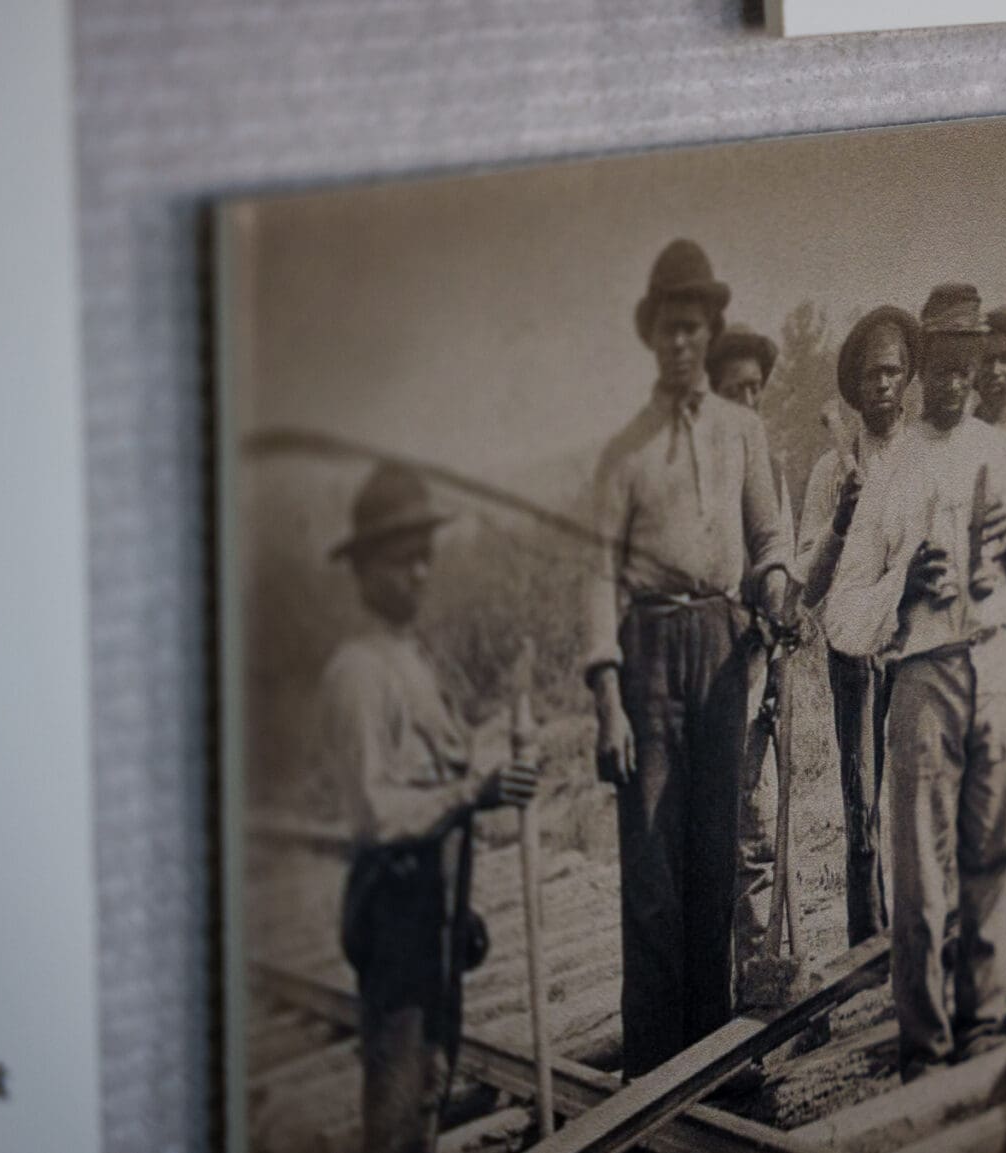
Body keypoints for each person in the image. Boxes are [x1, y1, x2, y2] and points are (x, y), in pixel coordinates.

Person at [824, 284, 1006, 1078]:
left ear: (983, 366)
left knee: (992, 855)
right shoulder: (895, 467)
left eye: (968, 365)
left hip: (998, 666)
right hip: (921, 675)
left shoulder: (1002, 453)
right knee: (921, 873)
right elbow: (840, 616)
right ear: (924, 368)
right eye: (943, 365)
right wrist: (904, 587)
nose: (955, 381)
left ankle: (983, 1023)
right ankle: (925, 1045)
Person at [583, 239, 794, 1078]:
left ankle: (709, 1057)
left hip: (722, 645)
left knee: (712, 851)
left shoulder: (744, 431)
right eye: (667, 328)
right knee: (653, 865)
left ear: (710, 331)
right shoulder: (623, 453)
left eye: (693, 327)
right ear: (653, 336)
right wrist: (607, 697)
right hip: (647, 657)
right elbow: (597, 578)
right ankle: (652, 1065)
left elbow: (770, 535)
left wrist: (775, 585)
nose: (680, 342)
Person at [321, 463, 540, 1153]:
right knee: (396, 1099)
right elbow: (376, 812)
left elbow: (444, 763)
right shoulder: (357, 672)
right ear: (362, 573)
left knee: (431, 1087)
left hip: (438, 913)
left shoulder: (416, 659)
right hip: (394, 915)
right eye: (398, 560)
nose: (417, 573)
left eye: (424, 557)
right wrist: (470, 792)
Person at [796, 305, 920, 945]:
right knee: (861, 810)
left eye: (893, 371)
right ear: (856, 383)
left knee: (917, 806)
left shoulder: (927, 456)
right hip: (852, 661)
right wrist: (842, 522)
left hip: (914, 652)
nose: (882, 385)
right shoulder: (829, 472)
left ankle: (919, 941)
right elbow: (807, 590)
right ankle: (865, 951)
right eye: (872, 374)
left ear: (909, 379)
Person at [705, 322, 795, 1005]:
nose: (748, 403)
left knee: (759, 824)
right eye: (734, 390)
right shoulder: (700, 479)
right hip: (709, 673)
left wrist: (778, 601)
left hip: (762, 666)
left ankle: (762, 975)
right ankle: (722, 991)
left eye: (755, 390)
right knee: (723, 831)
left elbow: (779, 556)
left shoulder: (769, 470)